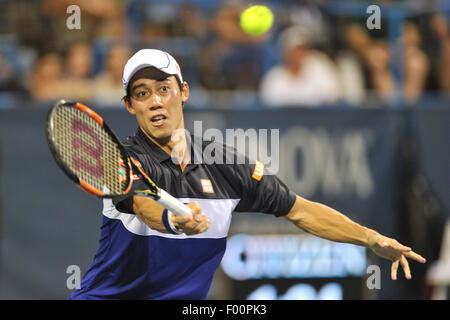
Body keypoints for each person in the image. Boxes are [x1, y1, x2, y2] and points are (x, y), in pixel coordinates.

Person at [70, 49, 426, 300]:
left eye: (164, 88)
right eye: (142, 94)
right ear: (131, 106)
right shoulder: (124, 159)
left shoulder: (224, 164)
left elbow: (300, 210)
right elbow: (146, 205)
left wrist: (370, 239)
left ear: (183, 92)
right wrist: (175, 220)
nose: (155, 101)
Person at [259, 25, 342, 107]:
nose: (298, 53)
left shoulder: (320, 69)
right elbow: (268, 107)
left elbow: (333, 98)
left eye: (303, 49)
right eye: (294, 49)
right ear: (284, 51)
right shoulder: (273, 76)